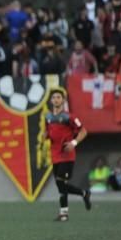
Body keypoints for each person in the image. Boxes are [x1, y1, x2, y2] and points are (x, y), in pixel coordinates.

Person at [45, 89, 91, 222]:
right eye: (54, 97)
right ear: (51, 100)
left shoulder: (70, 117)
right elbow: (50, 132)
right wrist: (46, 136)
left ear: (63, 100)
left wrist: (74, 142)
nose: (56, 99)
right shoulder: (48, 117)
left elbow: (83, 131)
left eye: (59, 97)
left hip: (67, 154)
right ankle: (64, 213)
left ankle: (84, 193)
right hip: (55, 155)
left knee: (61, 184)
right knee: (61, 185)